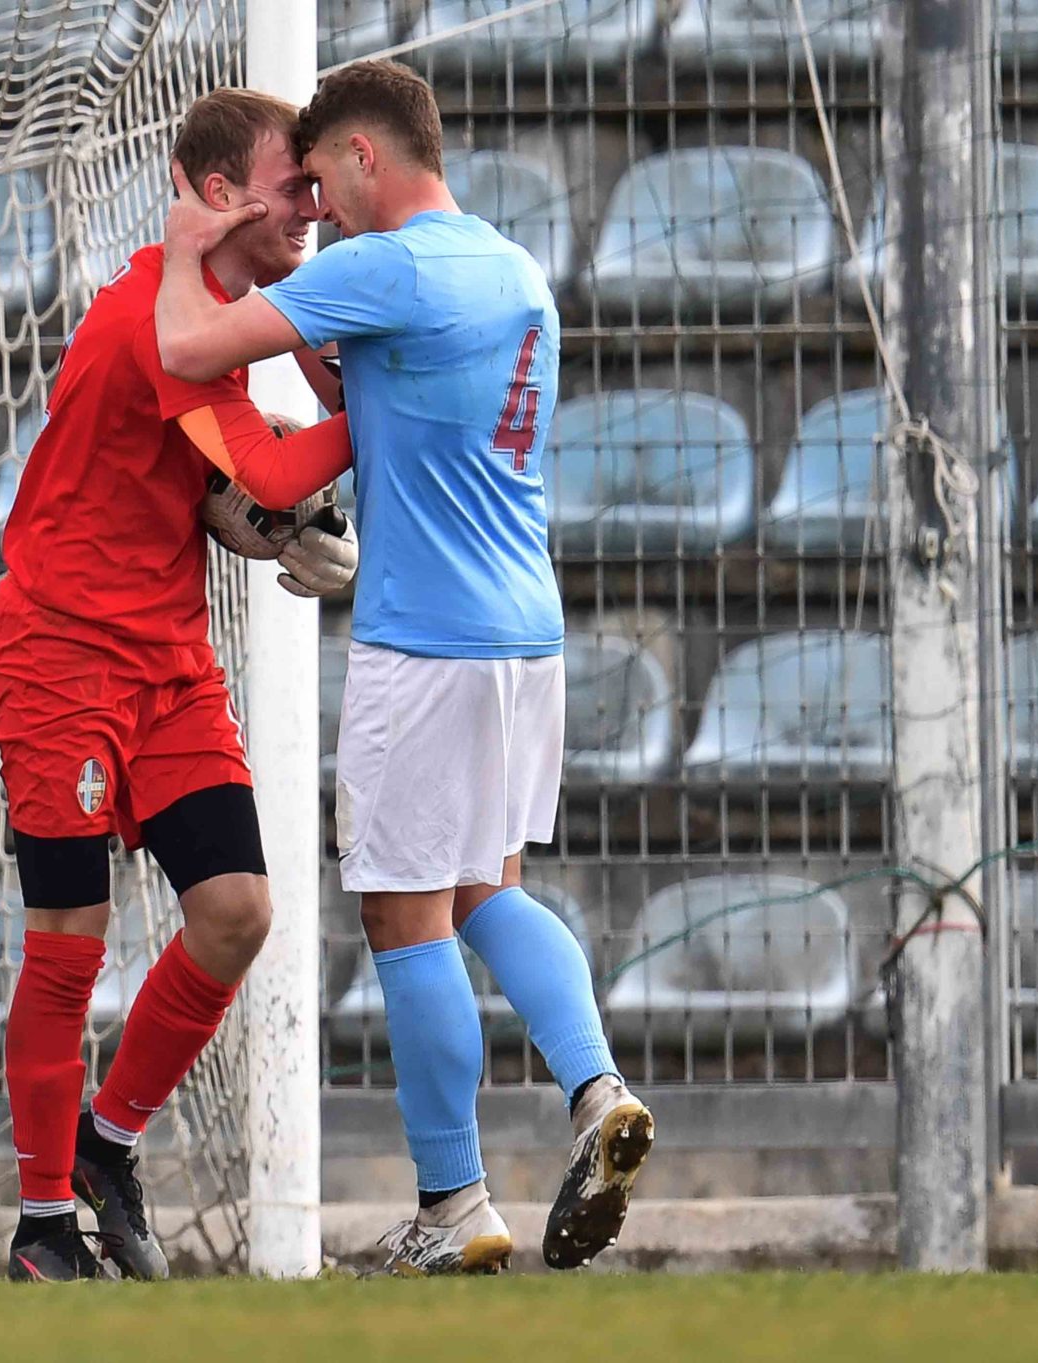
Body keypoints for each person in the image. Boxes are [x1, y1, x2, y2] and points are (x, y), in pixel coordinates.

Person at [154, 59, 655, 1275]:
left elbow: (185, 342)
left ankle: (451, 1201)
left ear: (365, 155)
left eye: (321, 179)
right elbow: (395, 394)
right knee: (486, 888)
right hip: (523, 630)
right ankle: (595, 1088)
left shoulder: (383, 266)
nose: (316, 207)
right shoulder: (512, 268)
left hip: (422, 640)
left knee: (400, 911)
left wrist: (182, 245)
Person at [0, 87, 358, 1283]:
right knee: (68, 943)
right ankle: (42, 1226)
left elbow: (215, 489)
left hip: (167, 661)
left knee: (238, 910)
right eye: (292, 186)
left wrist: (275, 521)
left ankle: (104, 1143)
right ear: (215, 194)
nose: (311, 207)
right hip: (60, 656)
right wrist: (370, 420)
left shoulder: (211, 314)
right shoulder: (159, 318)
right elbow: (265, 475)